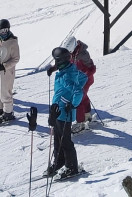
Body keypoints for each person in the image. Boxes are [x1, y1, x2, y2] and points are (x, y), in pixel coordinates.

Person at [44, 46, 88, 180]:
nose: (55, 63)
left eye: (56, 61)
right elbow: (82, 77)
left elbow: (78, 91)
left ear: (61, 61)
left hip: (65, 112)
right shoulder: (67, 69)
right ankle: (59, 162)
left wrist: (72, 104)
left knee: (65, 141)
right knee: (57, 140)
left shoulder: (67, 75)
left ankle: (72, 167)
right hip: (57, 110)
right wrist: (54, 69)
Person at [48, 36, 97, 132]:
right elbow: (63, 62)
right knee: (83, 96)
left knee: (79, 98)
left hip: (85, 78)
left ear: (74, 48)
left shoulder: (83, 54)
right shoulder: (68, 54)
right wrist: (54, 68)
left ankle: (80, 123)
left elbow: (91, 69)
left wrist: (80, 76)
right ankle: (87, 114)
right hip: (74, 77)